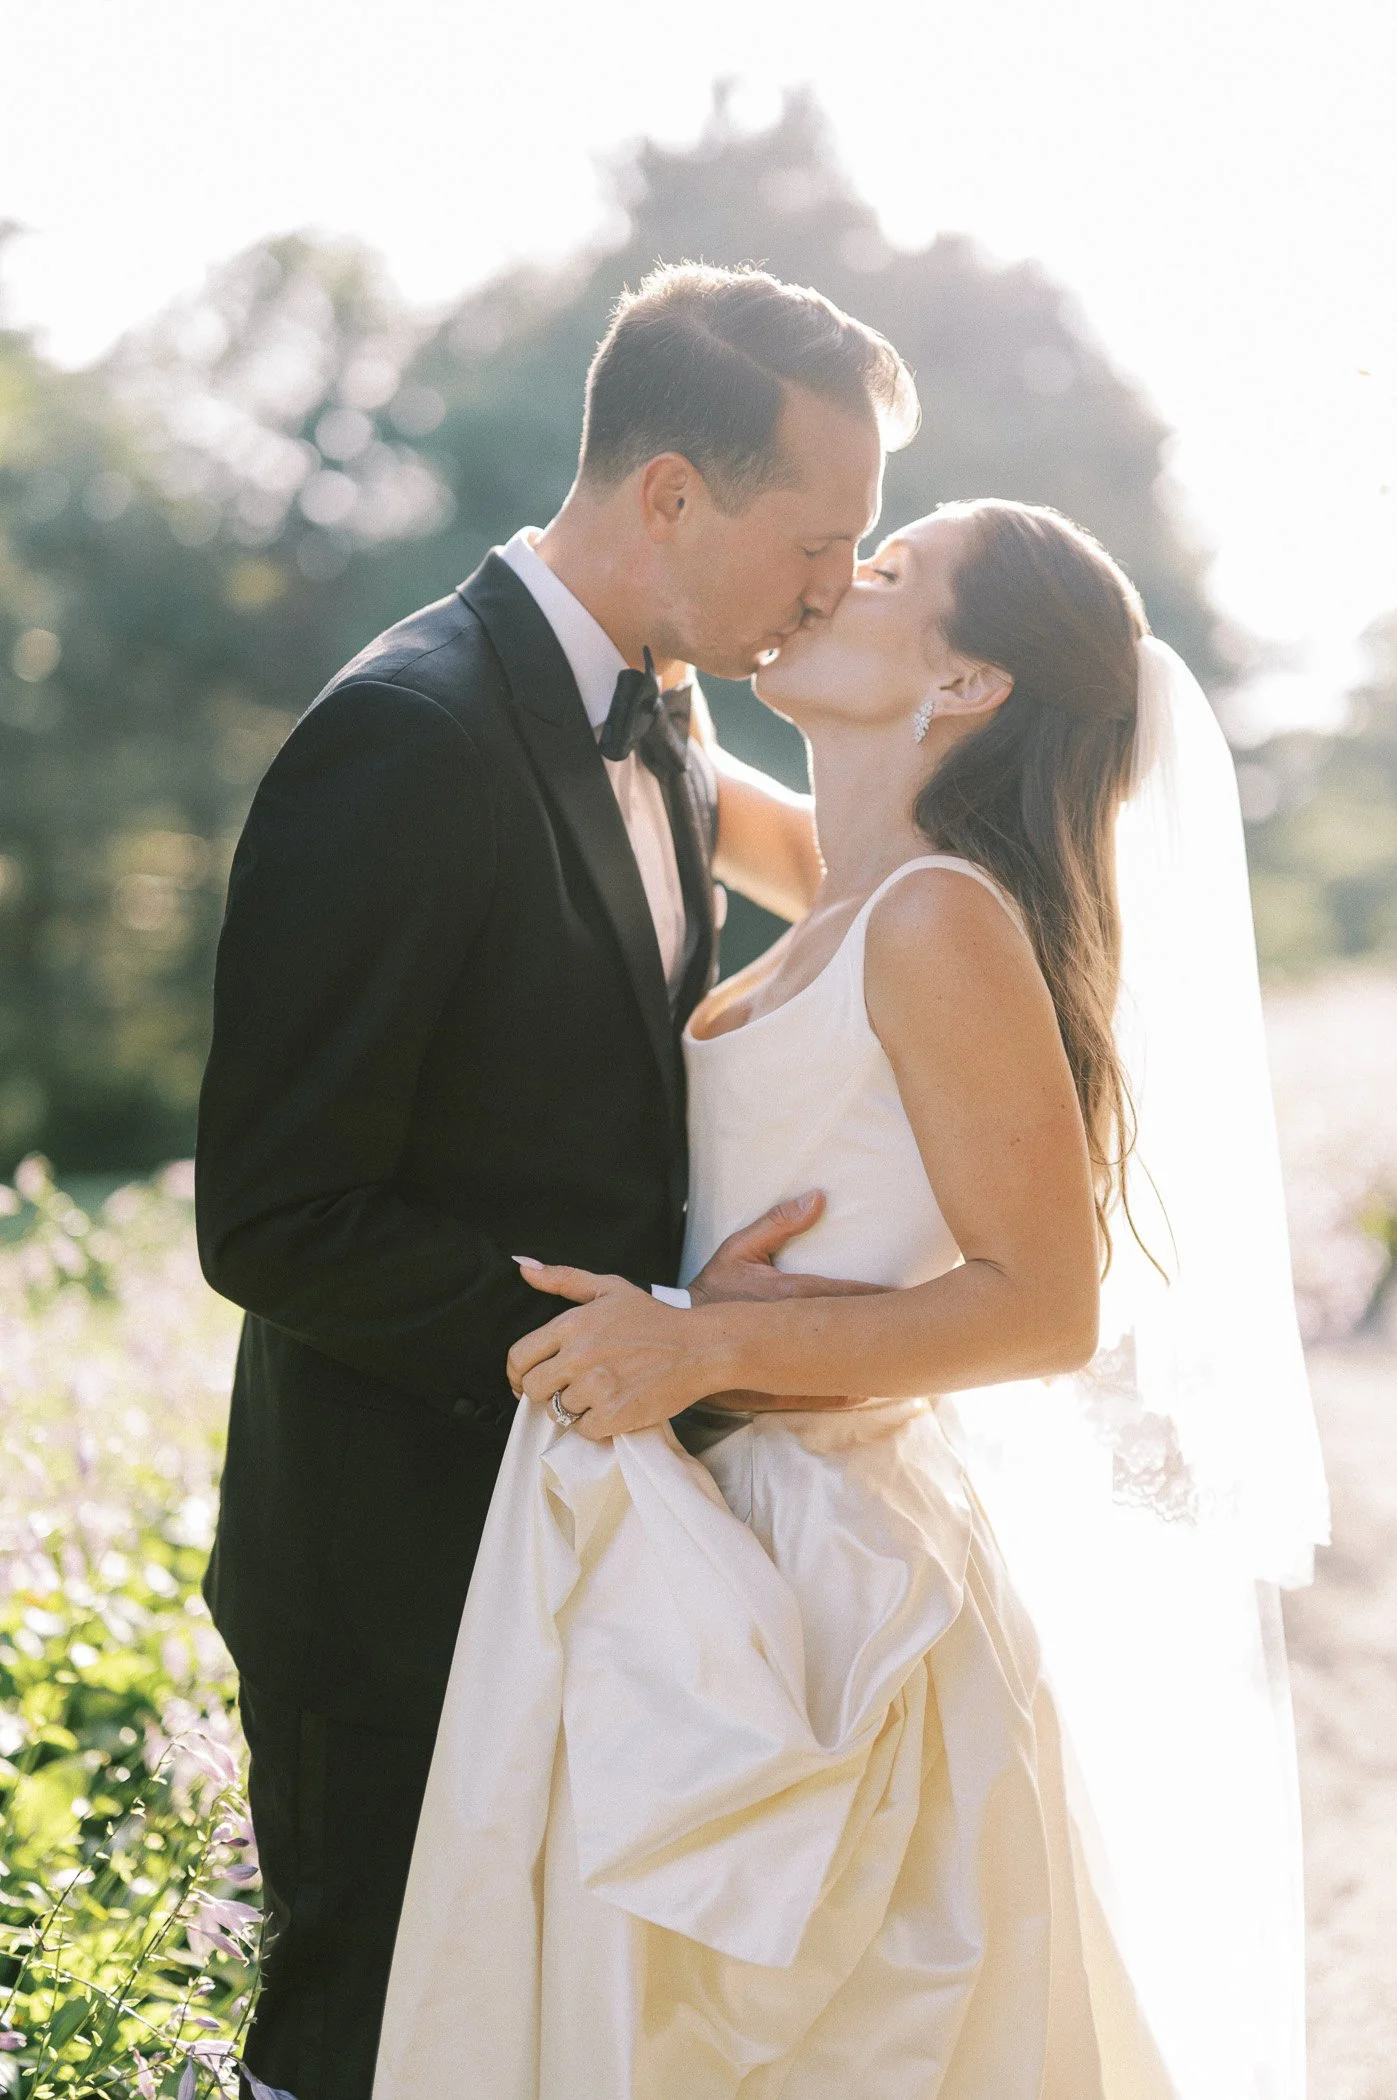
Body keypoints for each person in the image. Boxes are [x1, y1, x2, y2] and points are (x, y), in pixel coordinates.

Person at [376, 501, 1329, 2098]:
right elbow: (663, 751)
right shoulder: (847, 887)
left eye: (884, 571)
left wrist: (701, 1341)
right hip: (717, 1533)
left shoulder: (939, 919)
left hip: (846, 1581)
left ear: (963, 686)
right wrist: (645, 587)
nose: (833, 578)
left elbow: (1042, 1310)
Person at [194, 262, 921, 2100]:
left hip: (590, 1545)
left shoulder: (666, 706)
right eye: (819, 541)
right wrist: (633, 1343)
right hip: (393, 1563)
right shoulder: (407, 738)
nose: (838, 586)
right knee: (358, 2052)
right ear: (671, 494)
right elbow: (272, 1215)